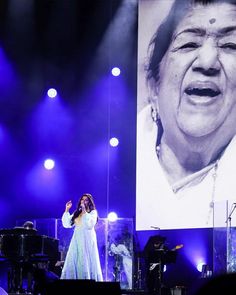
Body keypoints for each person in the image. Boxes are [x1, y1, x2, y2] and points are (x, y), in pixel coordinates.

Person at [136, 0, 236, 230]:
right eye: (189, 44)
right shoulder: (117, 171)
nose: (207, 61)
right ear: (153, 86)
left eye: (231, 45)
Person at [60, 193, 103, 281]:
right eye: (82, 200)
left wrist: (84, 212)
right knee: (74, 258)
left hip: (87, 238)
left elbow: (89, 225)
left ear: (89, 202)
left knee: (85, 259)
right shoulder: (77, 212)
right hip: (77, 238)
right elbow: (67, 224)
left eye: (86, 200)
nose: (83, 201)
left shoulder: (93, 212)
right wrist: (67, 209)